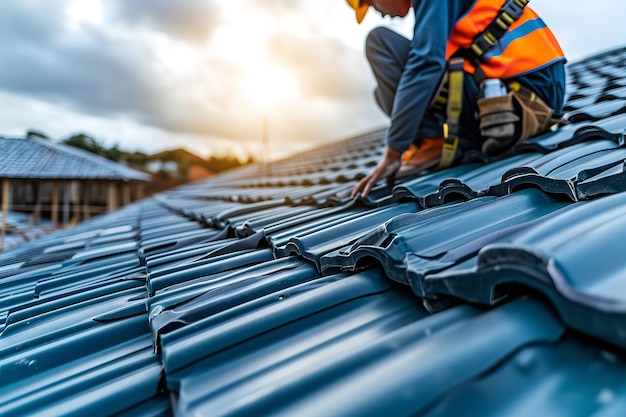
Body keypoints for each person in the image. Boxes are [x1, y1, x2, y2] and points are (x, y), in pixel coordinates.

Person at [347, 0, 566, 197]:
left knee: (380, 41)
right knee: (382, 93)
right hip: (534, 90)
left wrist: (393, 152)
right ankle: (442, 141)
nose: (381, 13)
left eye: (373, 5)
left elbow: (425, 64)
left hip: (525, 94)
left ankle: (431, 143)